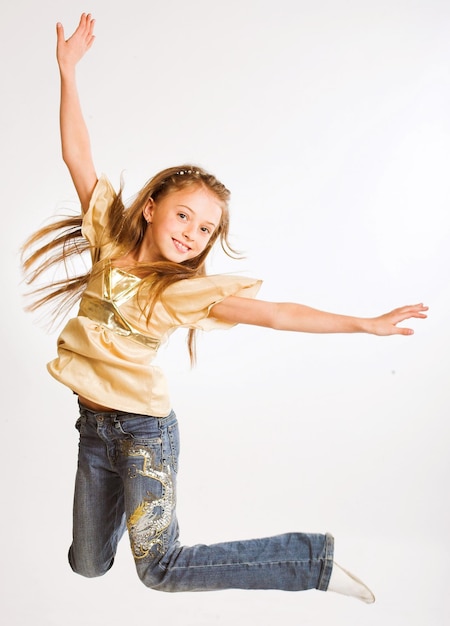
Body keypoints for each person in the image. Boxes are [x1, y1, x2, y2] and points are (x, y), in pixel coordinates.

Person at [22, 13, 427, 602]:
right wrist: (67, 72)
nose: (192, 233)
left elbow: (278, 313)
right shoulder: (109, 238)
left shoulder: (182, 293)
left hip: (144, 435)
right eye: (184, 215)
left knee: (159, 568)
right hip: (93, 431)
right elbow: (76, 153)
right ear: (153, 206)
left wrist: (364, 324)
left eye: (206, 228)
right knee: (87, 565)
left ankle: (311, 562)